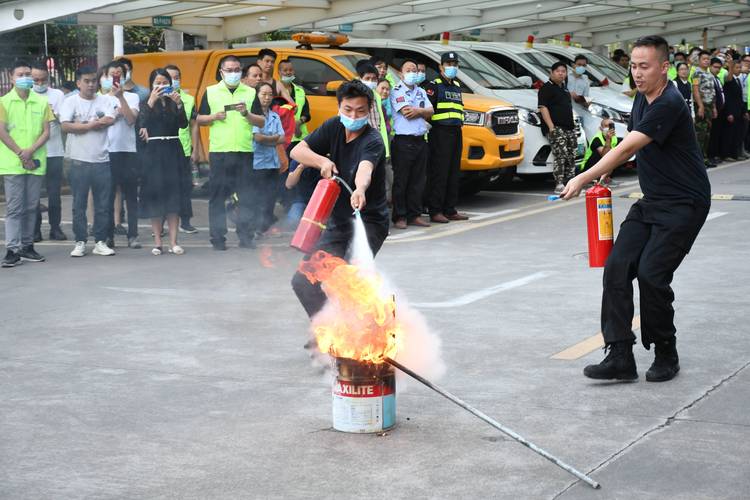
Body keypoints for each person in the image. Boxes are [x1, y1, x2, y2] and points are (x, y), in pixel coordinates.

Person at [561, 35, 711, 383]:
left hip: (685, 204)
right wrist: (607, 167)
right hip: (653, 202)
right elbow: (632, 144)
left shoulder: (670, 102)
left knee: (651, 274)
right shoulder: (643, 99)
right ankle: (620, 355)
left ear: (664, 68)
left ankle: (665, 351)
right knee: (616, 267)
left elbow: (629, 147)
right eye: (633, 65)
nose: (637, 73)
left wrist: (585, 176)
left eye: (644, 66)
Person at [290, 80, 389, 318]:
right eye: (348, 109)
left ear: (369, 111)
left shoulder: (373, 140)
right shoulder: (333, 127)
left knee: (347, 281)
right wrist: (322, 161)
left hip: (369, 223)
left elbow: (365, 169)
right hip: (338, 222)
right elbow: (297, 151)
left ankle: (358, 337)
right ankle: (324, 330)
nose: (353, 115)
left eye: (360, 111)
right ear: (339, 107)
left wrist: (359, 189)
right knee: (303, 280)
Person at [196, 55, 264, 250]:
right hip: (220, 151)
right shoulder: (211, 92)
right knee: (217, 196)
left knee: (246, 196)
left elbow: (261, 121)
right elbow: (199, 119)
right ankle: (218, 238)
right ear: (221, 72)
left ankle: (246, 236)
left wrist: (246, 114)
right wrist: (214, 116)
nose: (233, 73)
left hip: (244, 150)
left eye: (237, 70)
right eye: (229, 70)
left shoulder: (250, 92)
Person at [0, 59, 52, 267]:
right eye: (20, 75)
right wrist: (22, 154)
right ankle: (12, 249)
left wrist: (30, 152)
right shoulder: (3, 102)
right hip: (13, 163)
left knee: (31, 207)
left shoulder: (41, 102)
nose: (25, 78)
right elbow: (2, 131)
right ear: (11, 78)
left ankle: (27, 246)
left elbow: (47, 131)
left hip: (35, 162)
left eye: (27, 74)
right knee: (14, 208)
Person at [60, 65, 116, 257]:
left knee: (102, 204)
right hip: (78, 161)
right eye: (87, 81)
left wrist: (83, 125)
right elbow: (66, 126)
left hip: (102, 160)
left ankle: (100, 241)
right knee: (79, 205)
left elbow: (111, 119)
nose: (91, 85)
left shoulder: (106, 100)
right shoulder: (70, 102)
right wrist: (92, 125)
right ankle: (80, 241)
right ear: (78, 83)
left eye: (94, 81)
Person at [138, 69, 189, 256]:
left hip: (173, 149)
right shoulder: (146, 102)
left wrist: (179, 105)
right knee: (156, 197)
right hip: (154, 151)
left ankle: (174, 242)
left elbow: (183, 124)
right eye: (157, 83)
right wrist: (151, 102)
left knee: (173, 198)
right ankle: (158, 241)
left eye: (164, 83)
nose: (161, 86)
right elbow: (140, 124)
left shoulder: (173, 101)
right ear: (151, 85)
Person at [236, 82, 285, 248]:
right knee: (255, 199)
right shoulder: (252, 116)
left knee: (269, 198)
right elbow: (258, 138)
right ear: (256, 95)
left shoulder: (275, 116)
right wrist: (272, 139)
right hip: (256, 163)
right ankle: (251, 229)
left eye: (270, 94)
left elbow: (282, 138)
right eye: (263, 94)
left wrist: (268, 139)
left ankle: (262, 228)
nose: (267, 97)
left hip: (272, 163)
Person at [100, 61, 141, 250]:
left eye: (119, 74)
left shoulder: (132, 97)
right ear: (105, 77)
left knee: (131, 196)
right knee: (107, 196)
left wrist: (121, 98)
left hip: (127, 151)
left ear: (124, 77)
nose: (116, 78)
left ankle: (133, 235)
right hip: (107, 152)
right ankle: (108, 236)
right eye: (112, 74)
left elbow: (131, 119)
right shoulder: (99, 99)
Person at [423, 52, 468, 223]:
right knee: (439, 173)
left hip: (456, 132)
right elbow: (428, 112)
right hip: (440, 133)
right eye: (448, 64)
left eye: (455, 64)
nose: (452, 67)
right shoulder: (434, 86)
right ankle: (435, 210)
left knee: (453, 172)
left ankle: (450, 209)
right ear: (441, 67)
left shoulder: (456, 85)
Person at [389, 59, 433, 229]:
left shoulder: (421, 91)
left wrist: (419, 111)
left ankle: (414, 214)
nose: (412, 73)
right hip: (403, 141)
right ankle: (400, 216)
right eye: (408, 70)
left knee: (418, 180)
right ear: (401, 73)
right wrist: (422, 112)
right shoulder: (396, 91)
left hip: (420, 140)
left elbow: (431, 111)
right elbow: (407, 113)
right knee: (402, 180)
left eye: (414, 70)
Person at [31, 61, 68, 241]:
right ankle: (35, 229)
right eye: (35, 80)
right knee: (34, 193)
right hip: (34, 151)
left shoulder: (57, 94)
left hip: (54, 151)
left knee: (54, 193)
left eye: (43, 80)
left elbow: (65, 121)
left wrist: (53, 114)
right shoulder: (27, 94)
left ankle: (55, 227)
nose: (39, 84)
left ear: (48, 78)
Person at [165, 64, 201, 234]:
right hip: (164, 150)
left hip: (184, 149)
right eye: (170, 77)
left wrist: (196, 149)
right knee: (164, 186)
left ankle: (185, 221)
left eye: (177, 77)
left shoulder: (188, 99)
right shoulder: (157, 98)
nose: (174, 80)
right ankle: (162, 223)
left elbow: (194, 125)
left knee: (185, 187)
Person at [538, 61, 578, 194]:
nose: (561, 74)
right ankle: (559, 183)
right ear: (551, 72)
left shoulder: (565, 89)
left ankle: (571, 182)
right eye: (558, 71)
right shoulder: (546, 88)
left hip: (569, 127)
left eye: (563, 71)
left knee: (572, 154)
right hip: (556, 127)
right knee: (560, 154)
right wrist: (551, 127)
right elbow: (543, 108)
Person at [356, 62, 391, 163]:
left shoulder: (376, 97)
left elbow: (381, 124)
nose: (371, 81)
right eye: (367, 78)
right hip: (361, 145)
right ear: (360, 78)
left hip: (376, 143)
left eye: (374, 79)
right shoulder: (354, 95)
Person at [692, 50, 718, 168]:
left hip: (709, 106)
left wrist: (714, 107)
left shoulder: (709, 74)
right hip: (701, 105)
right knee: (700, 134)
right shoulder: (696, 74)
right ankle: (698, 160)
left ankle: (705, 158)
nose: (707, 61)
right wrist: (701, 106)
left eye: (708, 59)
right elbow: (695, 90)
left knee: (707, 134)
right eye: (704, 59)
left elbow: (712, 92)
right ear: (699, 60)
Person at [278, 59, 310, 150]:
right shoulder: (275, 90)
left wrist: (299, 122)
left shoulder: (299, 90)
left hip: (300, 138)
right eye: (285, 70)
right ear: (279, 72)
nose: (288, 72)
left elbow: (306, 113)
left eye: (290, 70)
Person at [719, 59, 744, 161]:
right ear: (732, 69)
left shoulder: (738, 80)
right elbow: (728, 98)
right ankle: (726, 154)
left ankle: (735, 154)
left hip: (738, 111)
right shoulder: (728, 79)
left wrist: (744, 111)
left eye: (740, 67)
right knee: (729, 134)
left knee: (736, 134)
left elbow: (740, 97)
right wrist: (729, 113)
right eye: (736, 67)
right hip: (730, 112)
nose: (739, 69)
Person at [377, 78, 395, 203]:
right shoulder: (372, 106)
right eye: (382, 88)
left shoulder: (386, 105)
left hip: (387, 144)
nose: (385, 91)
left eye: (387, 89)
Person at [707, 57, 726, 164]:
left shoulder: (717, 79)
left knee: (717, 134)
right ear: (710, 66)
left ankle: (715, 154)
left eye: (719, 68)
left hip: (721, 110)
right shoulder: (708, 78)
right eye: (715, 67)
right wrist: (713, 108)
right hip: (712, 111)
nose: (717, 69)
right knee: (712, 134)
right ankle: (710, 156)